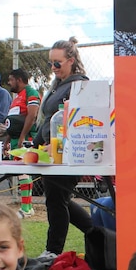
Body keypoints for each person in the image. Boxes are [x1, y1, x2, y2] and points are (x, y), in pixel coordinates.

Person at [31, 38, 92, 257]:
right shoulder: (58, 85)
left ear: (71, 61)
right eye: (51, 64)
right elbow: (49, 120)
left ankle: (52, 251)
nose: (53, 68)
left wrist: (57, 146)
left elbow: (79, 123)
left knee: (56, 201)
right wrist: (34, 145)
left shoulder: (80, 86)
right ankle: (95, 232)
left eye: (57, 63)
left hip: (68, 154)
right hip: (51, 152)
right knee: (59, 199)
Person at [6, 68, 41, 216]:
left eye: (11, 80)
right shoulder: (16, 97)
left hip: (25, 140)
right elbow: (13, 121)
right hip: (15, 140)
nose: (9, 83)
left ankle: (27, 207)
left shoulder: (31, 93)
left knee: (25, 171)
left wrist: (22, 137)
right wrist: (8, 140)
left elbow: (32, 115)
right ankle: (26, 206)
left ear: (19, 80)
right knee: (20, 172)